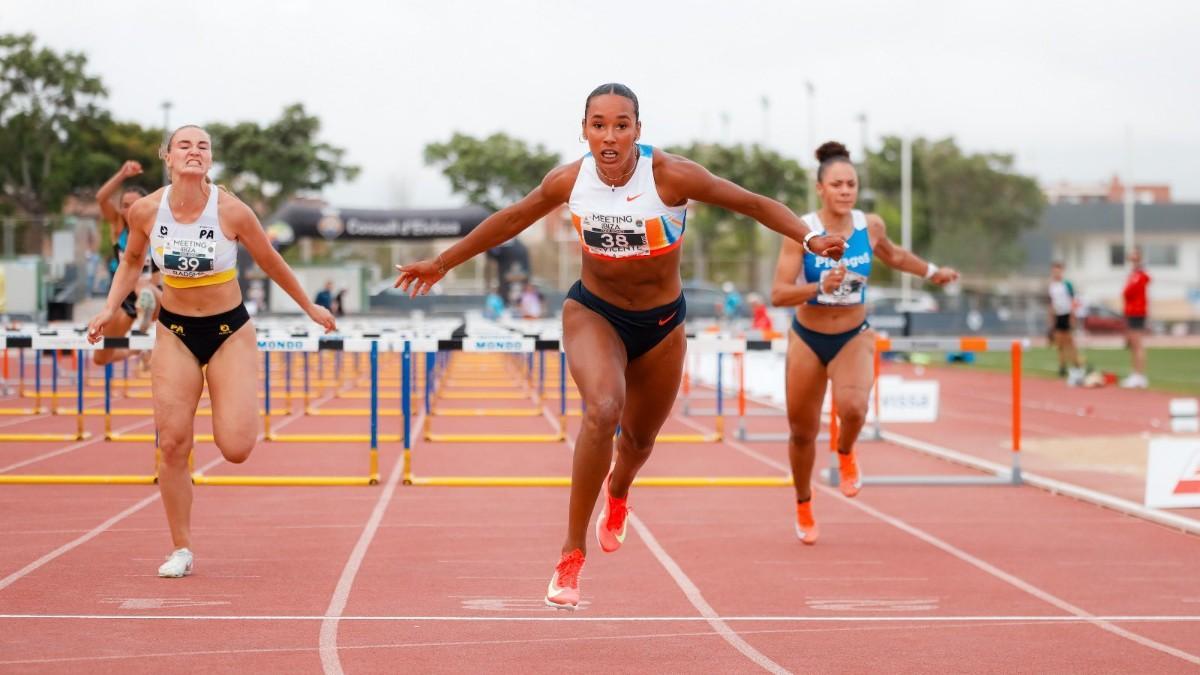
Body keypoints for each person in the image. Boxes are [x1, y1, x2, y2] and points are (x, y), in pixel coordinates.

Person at [394, 83, 846, 610]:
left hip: (661, 325)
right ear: (584, 129)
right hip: (594, 312)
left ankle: (619, 491)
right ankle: (570, 553)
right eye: (598, 125)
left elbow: (751, 203)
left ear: (638, 129)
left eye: (621, 125)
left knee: (638, 444)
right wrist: (443, 262)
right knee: (602, 409)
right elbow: (511, 219)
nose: (609, 137)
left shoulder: (671, 176)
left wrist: (808, 238)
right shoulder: (569, 180)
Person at [86, 125, 336, 578]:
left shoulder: (231, 212)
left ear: (211, 159)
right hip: (175, 332)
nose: (194, 151)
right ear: (167, 156)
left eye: (203, 146)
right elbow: (131, 261)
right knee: (173, 443)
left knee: (236, 447)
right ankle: (181, 547)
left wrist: (309, 306)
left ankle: (237, 398)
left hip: (229, 331)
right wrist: (108, 309)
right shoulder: (145, 210)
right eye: (185, 144)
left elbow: (270, 261)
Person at [770, 141, 957, 545]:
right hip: (807, 336)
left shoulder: (869, 226)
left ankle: (846, 450)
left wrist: (932, 272)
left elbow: (894, 255)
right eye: (836, 184)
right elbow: (779, 294)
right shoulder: (801, 232)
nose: (844, 191)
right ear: (820, 188)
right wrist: (818, 285)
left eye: (851, 184)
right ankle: (803, 502)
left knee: (854, 409)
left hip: (853, 334)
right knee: (801, 433)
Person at [94, 160, 158, 366]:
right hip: (123, 299)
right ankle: (136, 351)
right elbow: (101, 198)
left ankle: (146, 312)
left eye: (134, 205)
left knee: (145, 287)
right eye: (124, 205)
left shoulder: (157, 226)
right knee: (100, 358)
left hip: (156, 295)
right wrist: (122, 174)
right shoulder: (119, 227)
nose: (128, 210)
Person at [1047, 261, 1086, 385]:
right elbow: (1052, 303)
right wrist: (1051, 319)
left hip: (1067, 314)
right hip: (1058, 315)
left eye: (1058, 270)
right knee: (1059, 343)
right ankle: (1062, 365)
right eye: (1054, 270)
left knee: (1069, 341)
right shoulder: (1052, 286)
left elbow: (1073, 300)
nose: (1056, 273)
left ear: (1061, 271)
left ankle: (1076, 364)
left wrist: (1072, 316)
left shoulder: (1067, 284)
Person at [1120, 247, 1151, 388]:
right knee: (1133, 345)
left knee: (1138, 344)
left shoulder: (1141, 275)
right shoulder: (1132, 274)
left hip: (1138, 312)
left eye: (1134, 255)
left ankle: (1140, 375)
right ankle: (1135, 374)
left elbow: (1130, 291)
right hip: (1131, 312)